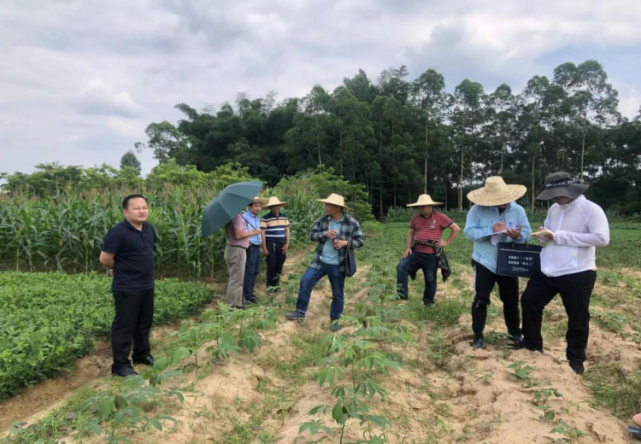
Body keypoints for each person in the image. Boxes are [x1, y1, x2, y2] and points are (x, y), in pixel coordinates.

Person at [516, 172, 609, 375]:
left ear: (570, 191)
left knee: (577, 317)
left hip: (577, 271)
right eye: (553, 196)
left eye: (558, 195)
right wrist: (544, 234)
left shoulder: (591, 210)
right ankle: (532, 343)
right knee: (530, 301)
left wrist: (559, 236)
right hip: (548, 268)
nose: (555, 199)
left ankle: (575, 359)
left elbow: (602, 239)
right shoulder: (555, 208)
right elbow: (551, 232)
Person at [464, 177, 532, 349]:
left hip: (508, 261)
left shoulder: (518, 210)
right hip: (484, 261)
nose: (502, 203)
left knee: (510, 299)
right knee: (481, 299)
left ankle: (515, 333)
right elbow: (469, 233)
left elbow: (527, 233)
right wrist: (490, 230)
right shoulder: (477, 210)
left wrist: (517, 236)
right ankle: (478, 335)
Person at [285, 194, 364, 331]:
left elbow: (360, 241)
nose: (325, 207)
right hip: (319, 261)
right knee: (305, 281)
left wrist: (346, 243)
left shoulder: (352, 223)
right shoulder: (323, 220)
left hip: (338, 264)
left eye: (329, 205)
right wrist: (325, 234)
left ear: (338, 208)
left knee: (337, 293)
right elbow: (312, 236)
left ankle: (335, 321)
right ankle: (300, 312)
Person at [100, 194, 158, 377]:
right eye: (136, 208)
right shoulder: (118, 231)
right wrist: (122, 268)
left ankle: (141, 354)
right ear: (126, 212)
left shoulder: (149, 229)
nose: (142, 211)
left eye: (144, 207)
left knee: (143, 323)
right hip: (127, 287)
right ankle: (121, 365)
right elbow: (105, 259)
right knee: (124, 326)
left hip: (147, 285)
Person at [397, 194, 460, 305]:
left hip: (431, 254)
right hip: (416, 251)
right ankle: (402, 298)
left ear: (431, 206)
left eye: (424, 206)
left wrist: (446, 242)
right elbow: (411, 232)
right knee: (401, 267)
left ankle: (428, 302)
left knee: (430, 279)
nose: (421, 208)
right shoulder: (415, 218)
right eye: (419, 206)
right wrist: (408, 248)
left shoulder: (440, 217)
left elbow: (456, 228)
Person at [225, 207, 262, 309]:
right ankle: (232, 306)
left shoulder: (234, 215)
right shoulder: (236, 217)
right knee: (236, 280)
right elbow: (238, 235)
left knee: (238, 279)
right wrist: (253, 232)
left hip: (234, 249)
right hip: (237, 250)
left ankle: (238, 304)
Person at [261, 197, 290, 292]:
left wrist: (287, 244)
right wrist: (264, 247)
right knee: (271, 264)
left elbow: (287, 230)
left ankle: (277, 286)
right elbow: (262, 233)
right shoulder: (265, 218)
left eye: (277, 206)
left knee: (280, 264)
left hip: (281, 243)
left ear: (280, 206)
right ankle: (270, 287)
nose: (276, 208)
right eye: (273, 207)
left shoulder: (284, 216)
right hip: (271, 243)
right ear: (270, 208)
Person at [242, 198, 267, 304]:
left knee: (255, 271)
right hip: (250, 247)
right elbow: (243, 233)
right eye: (256, 206)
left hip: (256, 247)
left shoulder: (257, 217)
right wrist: (254, 232)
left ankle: (250, 293)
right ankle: (247, 296)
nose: (258, 208)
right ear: (250, 207)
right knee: (249, 271)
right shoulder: (245, 218)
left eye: (260, 206)